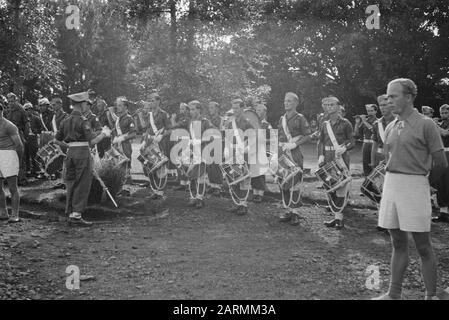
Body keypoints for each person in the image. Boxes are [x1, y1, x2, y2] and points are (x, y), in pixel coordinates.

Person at [373, 78, 447, 300]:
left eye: (393, 96)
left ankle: (431, 296)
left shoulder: (426, 124)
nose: (389, 100)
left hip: (415, 185)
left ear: (409, 97)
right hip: (392, 185)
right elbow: (388, 158)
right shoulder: (391, 125)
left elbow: (441, 162)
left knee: (423, 246)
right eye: (387, 96)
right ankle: (393, 293)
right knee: (397, 242)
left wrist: (426, 185)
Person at [54, 91, 111, 226]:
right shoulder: (83, 121)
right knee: (83, 183)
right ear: (81, 104)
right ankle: (77, 215)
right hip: (82, 153)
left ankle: (70, 211)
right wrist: (104, 134)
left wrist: (69, 145)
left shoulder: (65, 120)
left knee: (71, 183)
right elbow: (92, 141)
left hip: (70, 153)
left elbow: (56, 141)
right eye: (85, 103)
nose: (86, 105)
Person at [318, 96, 355, 229]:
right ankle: (336, 216)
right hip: (327, 157)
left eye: (332, 105)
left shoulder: (346, 123)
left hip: (340, 158)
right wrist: (321, 155)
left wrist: (345, 147)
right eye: (327, 105)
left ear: (339, 107)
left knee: (340, 186)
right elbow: (321, 141)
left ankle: (339, 218)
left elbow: (352, 141)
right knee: (330, 186)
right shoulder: (324, 124)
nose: (329, 107)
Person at [277, 92, 312, 225]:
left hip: (295, 153)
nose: (286, 103)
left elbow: (308, 136)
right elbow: (280, 137)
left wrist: (295, 144)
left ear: (296, 103)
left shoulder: (300, 118)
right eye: (285, 101)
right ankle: (288, 209)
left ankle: (296, 213)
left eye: (290, 101)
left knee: (295, 183)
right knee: (283, 181)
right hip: (283, 154)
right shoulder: (282, 119)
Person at [185, 100, 215, 208]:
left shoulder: (205, 122)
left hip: (202, 151)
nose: (191, 112)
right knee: (191, 175)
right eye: (190, 109)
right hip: (192, 152)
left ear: (199, 110)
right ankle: (193, 196)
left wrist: (201, 141)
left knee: (200, 176)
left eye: (193, 109)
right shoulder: (190, 122)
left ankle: (200, 198)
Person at [142, 93, 171, 199]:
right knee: (151, 166)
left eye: (153, 100)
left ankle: (161, 191)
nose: (151, 102)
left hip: (159, 143)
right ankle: (154, 190)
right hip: (149, 143)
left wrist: (162, 135)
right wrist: (144, 141)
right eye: (150, 100)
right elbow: (146, 128)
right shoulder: (148, 114)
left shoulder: (164, 114)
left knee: (160, 167)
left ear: (158, 101)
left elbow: (169, 129)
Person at [0, 100, 24, 223]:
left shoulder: (9, 125)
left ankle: (15, 214)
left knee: (12, 187)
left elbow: (19, 145)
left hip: (9, 154)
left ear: (1, 112)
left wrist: (17, 160)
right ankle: (3, 212)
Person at [110, 96, 137, 183]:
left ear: (125, 107)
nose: (117, 107)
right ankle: (123, 186)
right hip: (117, 146)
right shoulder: (118, 119)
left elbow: (134, 133)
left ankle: (126, 189)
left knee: (125, 167)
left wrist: (122, 138)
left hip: (125, 146)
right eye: (117, 105)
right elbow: (115, 132)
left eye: (120, 105)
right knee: (118, 168)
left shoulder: (129, 118)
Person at [5, 93, 29, 186]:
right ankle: (9, 178)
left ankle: (22, 178)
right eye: (9, 101)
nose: (10, 103)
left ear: (16, 100)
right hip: (8, 136)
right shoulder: (7, 111)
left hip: (18, 134)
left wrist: (25, 137)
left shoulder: (21, 110)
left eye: (12, 101)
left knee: (20, 156)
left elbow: (27, 124)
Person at [432, 104, 449, 223]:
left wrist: (433, 125)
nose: (443, 115)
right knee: (440, 184)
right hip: (441, 154)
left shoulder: (440, 126)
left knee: (447, 183)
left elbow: (445, 134)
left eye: (446, 113)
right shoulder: (440, 124)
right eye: (442, 113)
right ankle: (443, 213)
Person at [371, 94, 396, 169]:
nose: (382, 108)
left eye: (385, 105)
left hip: (396, 158)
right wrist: (372, 162)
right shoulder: (376, 124)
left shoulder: (399, 121)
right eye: (380, 105)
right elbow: (374, 145)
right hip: (381, 160)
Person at [354, 104, 378, 176]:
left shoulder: (378, 121)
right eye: (368, 111)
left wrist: (364, 121)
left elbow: (373, 130)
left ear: (375, 112)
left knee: (374, 165)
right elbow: (357, 134)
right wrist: (357, 123)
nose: (369, 113)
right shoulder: (365, 121)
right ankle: (367, 182)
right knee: (366, 164)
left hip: (374, 145)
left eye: (371, 111)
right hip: (366, 145)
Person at [171, 103, 191, 191]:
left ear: (187, 110)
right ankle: (183, 183)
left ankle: (188, 183)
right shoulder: (181, 118)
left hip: (184, 141)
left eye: (183, 109)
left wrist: (172, 119)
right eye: (180, 109)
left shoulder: (186, 119)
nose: (181, 111)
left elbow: (175, 126)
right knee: (180, 162)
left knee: (185, 162)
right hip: (179, 140)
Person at [206, 101, 223, 196]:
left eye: (212, 107)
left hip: (217, 144)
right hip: (209, 144)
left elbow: (220, 131)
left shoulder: (221, 119)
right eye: (209, 108)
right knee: (210, 166)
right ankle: (212, 185)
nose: (210, 109)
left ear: (217, 109)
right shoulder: (210, 119)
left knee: (216, 166)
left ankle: (218, 186)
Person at [23, 102, 43, 177]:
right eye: (26, 109)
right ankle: (28, 170)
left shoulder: (36, 118)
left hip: (33, 137)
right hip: (25, 138)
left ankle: (36, 170)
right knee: (26, 154)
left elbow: (41, 127)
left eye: (30, 109)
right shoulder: (23, 118)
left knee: (34, 154)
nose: (28, 111)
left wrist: (36, 131)